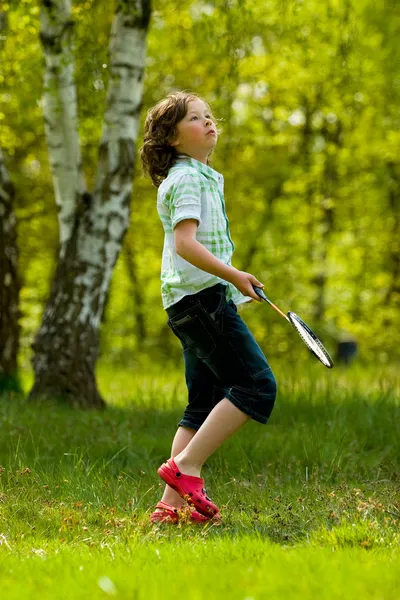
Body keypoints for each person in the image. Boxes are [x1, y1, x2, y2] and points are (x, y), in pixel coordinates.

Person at [139, 90, 277, 524]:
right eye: (195, 118)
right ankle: (186, 468)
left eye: (209, 115)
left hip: (190, 302)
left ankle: (169, 506)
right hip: (202, 301)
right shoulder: (187, 180)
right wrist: (235, 276)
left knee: (202, 403)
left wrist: (233, 283)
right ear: (173, 138)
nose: (209, 122)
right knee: (257, 386)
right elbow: (185, 244)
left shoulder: (200, 176)